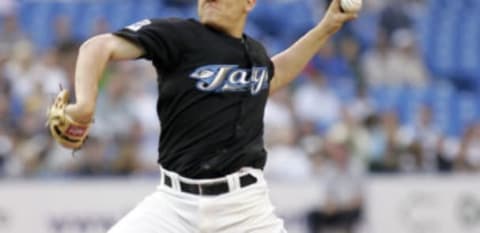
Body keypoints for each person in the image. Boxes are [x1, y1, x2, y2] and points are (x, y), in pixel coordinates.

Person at [60, 0, 357, 232]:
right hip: (175, 205)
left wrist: (327, 27)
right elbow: (98, 46)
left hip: (245, 210)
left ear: (249, 3)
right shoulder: (180, 35)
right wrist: (85, 104)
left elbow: (273, 75)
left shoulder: (253, 53)